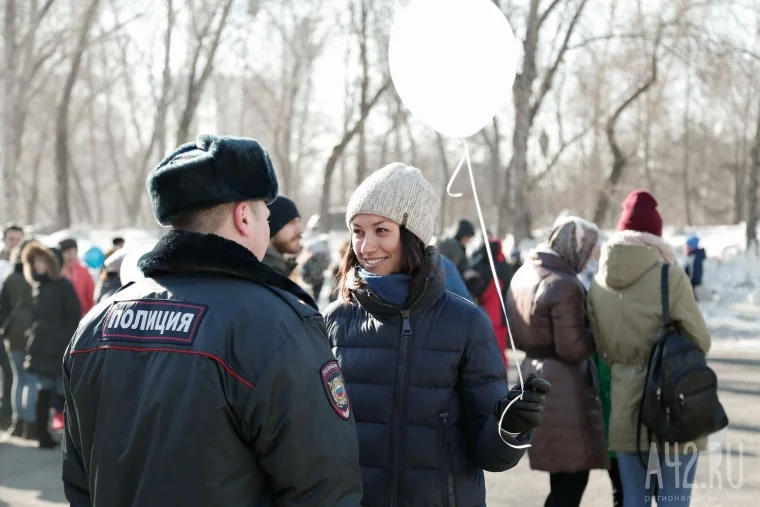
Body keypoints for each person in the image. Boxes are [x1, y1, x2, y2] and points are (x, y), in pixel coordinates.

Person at [62, 134, 362, 506]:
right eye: (265, 216)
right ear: (243, 217)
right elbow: (324, 488)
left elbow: (79, 481)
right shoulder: (276, 325)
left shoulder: (96, 324)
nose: (266, 228)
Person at [325, 163, 548, 507]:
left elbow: (490, 455)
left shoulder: (466, 323)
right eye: (357, 231)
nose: (366, 246)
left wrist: (510, 425)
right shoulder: (335, 319)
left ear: (412, 233)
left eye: (381, 230)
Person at [587, 190, 710, 507]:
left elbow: (602, 349)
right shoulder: (669, 276)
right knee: (673, 501)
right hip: (673, 405)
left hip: (625, 409)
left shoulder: (597, 284)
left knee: (634, 501)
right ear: (656, 235)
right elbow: (701, 340)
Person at [506, 216, 608, 507]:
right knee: (572, 480)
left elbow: (517, 333)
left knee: (561, 476)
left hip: (532, 375)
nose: (589, 256)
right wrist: (599, 334)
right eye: (587, 249)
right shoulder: (564, 284)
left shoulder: (525, 274)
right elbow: (573, 347)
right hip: (563, 385)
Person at [21, 241, 81, 448]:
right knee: (44, 391)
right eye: (34, 262)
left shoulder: (63, 285)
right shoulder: (39, 286)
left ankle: (71, 439)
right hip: (42, 348)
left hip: (59, 348)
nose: (37, 266)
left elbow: (74, 314)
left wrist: (61, 339)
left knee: (62, 393)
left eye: (40, 261)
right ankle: (42, 436)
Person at [0, 240, 34, 434]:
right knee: (30, 379)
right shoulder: (34, 278)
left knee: (17, 379)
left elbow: (2, 307)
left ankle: (16, 422)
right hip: (32, 332)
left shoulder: (9, 277)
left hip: (13, 334)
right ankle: (30, 424)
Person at [465, 236, 515, 368]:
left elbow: (480, 292)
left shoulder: (487, 270)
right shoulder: (506, 268)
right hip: (502, 317)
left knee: (489, 353)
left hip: (489, 316)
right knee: (500, 353)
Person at [263, 195, 303, 277]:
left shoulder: (277, 270)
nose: (300, 231)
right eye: (291, 222)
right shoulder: (267, 276)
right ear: (271, 227)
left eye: (298, 222)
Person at [58, 238, 96, 316]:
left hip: (82, 316)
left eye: (74, 253)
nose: (71, 256)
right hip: (62, 317)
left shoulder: (83, 270)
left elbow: (91, 295)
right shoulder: (57, 271)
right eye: (68, 253)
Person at [683, 233, 706, 298]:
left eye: (687, 246)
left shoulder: (695, 259)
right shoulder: (692, 257)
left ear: (691, 247)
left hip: (695, 291)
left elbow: (696, 277)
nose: (685, 248)